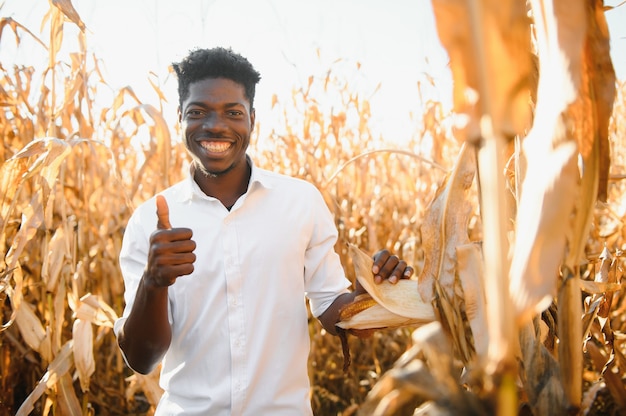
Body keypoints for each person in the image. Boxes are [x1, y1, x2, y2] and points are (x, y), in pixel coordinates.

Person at [113, 46, 414, 416]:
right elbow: (142, 358)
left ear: (252, 119)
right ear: (179, 117)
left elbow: (332, 310)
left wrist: (377, 298)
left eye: (233, 113)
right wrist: (153, 282)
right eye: (198, 112)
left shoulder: (300, 201)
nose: (215, 126)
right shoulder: (149, 222)